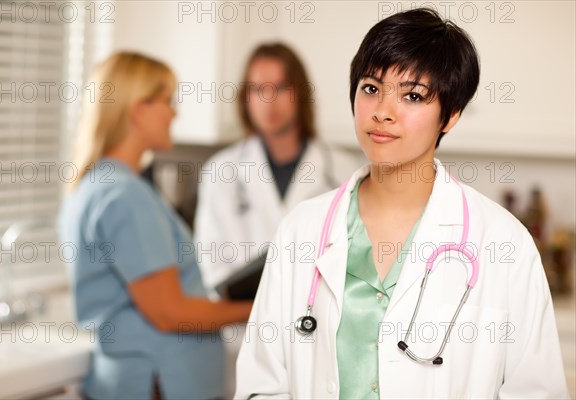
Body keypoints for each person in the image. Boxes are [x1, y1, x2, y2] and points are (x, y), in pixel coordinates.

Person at [235, 9, 570, 399]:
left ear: (451, 115)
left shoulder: (504, 243)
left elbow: (536, 391)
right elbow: (262, 384)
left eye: (412, 95)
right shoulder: (301, 230)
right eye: (371, 88)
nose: (382, 112)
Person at [57, 51, 252, 400]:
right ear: (137, 108)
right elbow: (169, 312)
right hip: (160, 382)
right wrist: (257, 309)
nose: (174, 112)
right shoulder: (124, 195)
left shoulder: (95, 184)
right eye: (167, 101)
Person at [194, 43, 358, 294]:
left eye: (280, 88)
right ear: (245, 98)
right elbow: (210, 273)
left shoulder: (344, 171)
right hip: (243, 329)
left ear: (300, 93)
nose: (268, 101)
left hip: (315, 324)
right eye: (258, 89)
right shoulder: (220, 172)